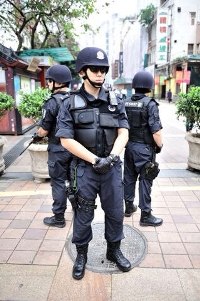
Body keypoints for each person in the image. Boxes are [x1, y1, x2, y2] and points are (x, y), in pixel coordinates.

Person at [56, 47, 131, 280]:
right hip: (84, 170)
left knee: (116, 212)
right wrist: (95, 160)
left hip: (110, 168)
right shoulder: (70, 103)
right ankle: (81, 255)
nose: (100, 74)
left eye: (103, 70)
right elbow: (65, 139)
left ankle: (114, 251)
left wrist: (111, 158)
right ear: (82, 72)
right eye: (95, 69)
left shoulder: (115, 100)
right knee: (83, 214)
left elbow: (124, 133)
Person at [123, 71, 163, 227]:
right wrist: (159, 146)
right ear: (149, 86)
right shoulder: (150, 104)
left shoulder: (125, 102)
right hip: (145, 149)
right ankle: (145, 215)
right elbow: (156, 131)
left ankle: (128, 207)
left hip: (129, 147)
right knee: (146, 180)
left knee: (129, 177)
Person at [36, 64, 73, 228]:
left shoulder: (52, 102)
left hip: (58, 150)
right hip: (74, 149)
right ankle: (78, 209)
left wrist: (37, 135)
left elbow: (43, 130)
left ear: (56, 82)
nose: (47, 84)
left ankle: (59, 217)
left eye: (49, 81)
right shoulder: (75, 99)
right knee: (74, 181)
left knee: (58, 182)